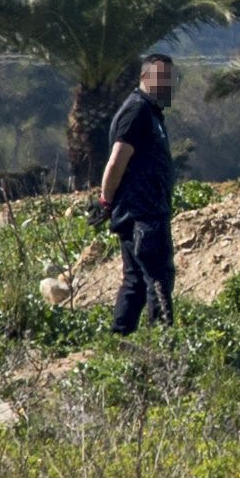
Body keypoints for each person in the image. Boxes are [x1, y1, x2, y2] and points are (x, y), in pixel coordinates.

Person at [97, 53, 178, 334]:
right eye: (162, 77)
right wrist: (105, 201)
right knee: (158, 278)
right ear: (145, 77)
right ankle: (162, 339)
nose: (167, 84)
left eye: (170, 78)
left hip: (147, 211)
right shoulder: (137, 111)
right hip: (142, 214)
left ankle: (120, 337)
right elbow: (117, 160)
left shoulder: (151, 112)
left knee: (136, 281)